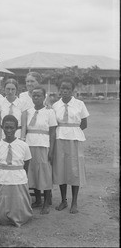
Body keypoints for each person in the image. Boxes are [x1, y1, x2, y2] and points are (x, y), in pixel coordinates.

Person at [52, 78, 89, 214]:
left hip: (74, 139)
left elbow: (84, 124)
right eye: (62, 88)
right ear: (59, 90)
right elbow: (53, 123)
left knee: (74, 170)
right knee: (61, 169)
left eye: (68, 88)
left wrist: (72, 131)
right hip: (59, 138)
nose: (64, 91)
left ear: (73, 90)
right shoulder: (55, 105)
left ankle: (74, 202)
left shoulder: (79, 104)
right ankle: (63, 200)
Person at [0, 115, 33, 227]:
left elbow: (26, 164)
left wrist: (21, 177)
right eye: (6, 127)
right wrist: (2, 176)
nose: (9, 130)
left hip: (19, 177)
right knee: (3, 201)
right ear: (2, 128)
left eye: (12, 128)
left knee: (19, 201)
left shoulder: (24, 145)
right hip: (3, 177)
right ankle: (3, 217)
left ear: (16, 128)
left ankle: (20, 216)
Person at [23, 86, 57, 214]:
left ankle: (46, 203)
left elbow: (53, 133)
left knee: (44, 173)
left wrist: (52, 150)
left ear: (44, 97)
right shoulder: (28, 111)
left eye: (39, 95)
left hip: (43, 145)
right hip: (29, 145)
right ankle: (37, 200)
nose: (36, 97)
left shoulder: (50, 112)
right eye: (34, 95)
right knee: (33, 172)